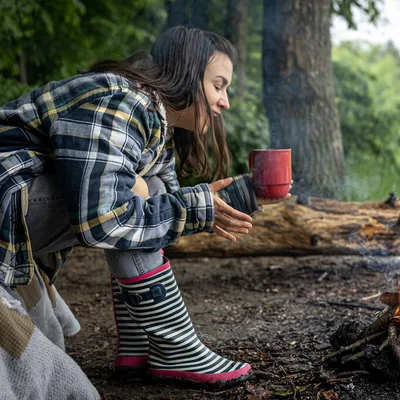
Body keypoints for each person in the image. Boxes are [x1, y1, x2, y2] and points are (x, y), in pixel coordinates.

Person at [0, 26, 287, 397]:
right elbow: (104, 221)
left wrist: (248, 193)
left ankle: (139, 345)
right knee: (138, 193)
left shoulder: (154, 122)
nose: (225, 102)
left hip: (18, 203)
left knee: (145, 191)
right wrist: (190, 206)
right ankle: (176, 348)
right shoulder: (122, 101)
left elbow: (163, 215)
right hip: (8, 195)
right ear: (187, 72)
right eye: (219, 85)